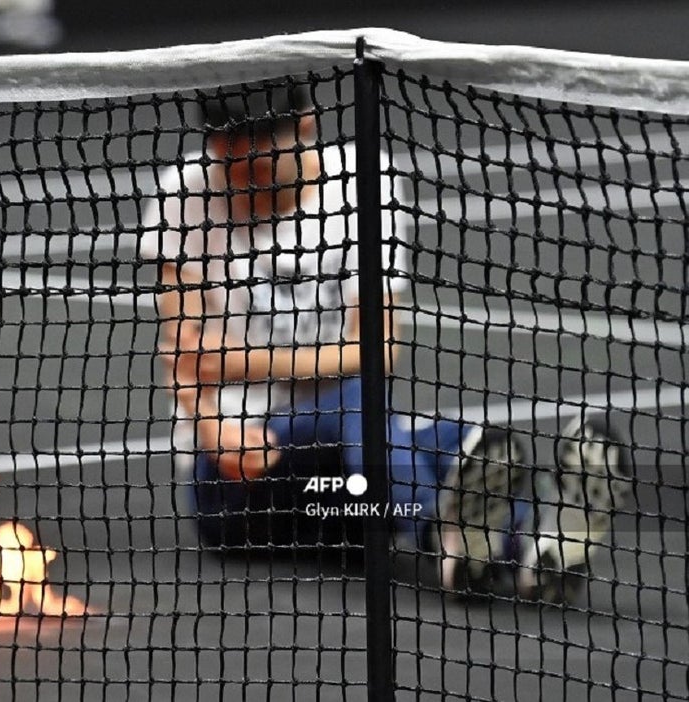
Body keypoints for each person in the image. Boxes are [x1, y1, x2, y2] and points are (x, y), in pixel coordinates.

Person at [139, 84, 631, 602]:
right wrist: (216, 433)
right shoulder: (188, 190)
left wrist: (239, 361)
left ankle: (522, 553)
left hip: (346, 494)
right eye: (226, 156)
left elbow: (374, 350)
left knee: (428, 435)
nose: (237, 172)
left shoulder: (360, 180)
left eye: (255, 158)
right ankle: (502, 542)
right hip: (240, 492)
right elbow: (184, 354)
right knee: (378, 413)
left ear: (305, 126)